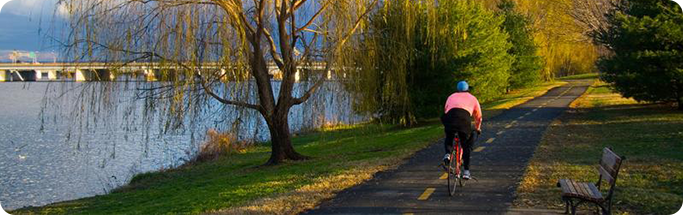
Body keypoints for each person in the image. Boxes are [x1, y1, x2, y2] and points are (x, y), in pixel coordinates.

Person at [441, 81, 482, 180]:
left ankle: (447, 154)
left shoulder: (451, 96)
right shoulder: (473, 98)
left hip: (449, 118)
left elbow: (446, 110)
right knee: (466, 145)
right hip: (463, 120)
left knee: (449, 136)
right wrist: (478, 127)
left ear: (457, 89)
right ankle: (466, 172)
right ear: (468, 89)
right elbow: (478, 116)